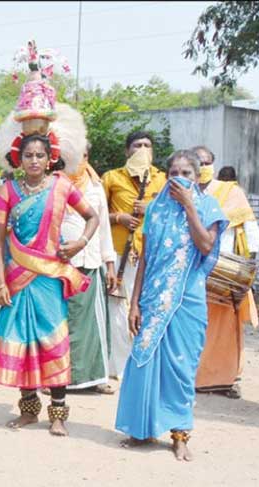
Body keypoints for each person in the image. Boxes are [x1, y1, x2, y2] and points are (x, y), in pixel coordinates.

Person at [115, 149, 227, 461]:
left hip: (187, 300)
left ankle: (179, 435)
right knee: (141, 361)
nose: (179, 179)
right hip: (152, 299)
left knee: (181, 366)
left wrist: (189, 206)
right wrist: (134, 302)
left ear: (197, 176)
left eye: (186, 174)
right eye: (174, 173)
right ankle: (140, 429)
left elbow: (206, 245)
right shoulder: (156, 210)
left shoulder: (208, 206)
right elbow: (147, 259)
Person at [0, 134, 98, 437]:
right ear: (19, 158)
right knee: (21, 339)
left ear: (50, 157)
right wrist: (0, 282)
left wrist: (80, 243)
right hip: (16, 277)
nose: (34, 160)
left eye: (40, 155)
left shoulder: (63, 186)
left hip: (49, 277)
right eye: (28, 155)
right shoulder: (7, 191)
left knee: (53, 341)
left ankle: (58, 414)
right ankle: (28, 410)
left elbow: (91, 216)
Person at [191, 146, 259, 399]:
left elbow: (250, 231)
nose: (202, 167)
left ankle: (225, 378)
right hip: (193, 270)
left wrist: (245, 269)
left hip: (225, 270)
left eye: (206, 162)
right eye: (197, 162)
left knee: (225, 326)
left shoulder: (231, 191)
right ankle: (193, 376)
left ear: (213, 163)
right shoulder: (183, 192)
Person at [102, 131, 167, 382]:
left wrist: (151, 209)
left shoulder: (162, 179)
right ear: (127, 151)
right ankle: (120, 367)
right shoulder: (111, 178)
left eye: (147, 145)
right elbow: (94, 213)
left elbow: (175, 212)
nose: (142, 149)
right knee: (118, 309)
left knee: (148, 308)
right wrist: (119, 217)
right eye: (137, 145)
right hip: (119, 254)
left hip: (152, 255)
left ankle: (145, 364)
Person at [64, 141, 118, 394]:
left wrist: (110, 264)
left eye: (83, 155)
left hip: (91, 262)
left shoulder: (96, 187)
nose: (78, 161)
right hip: (62, 266)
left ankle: (97, 377)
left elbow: (104, 226)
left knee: (95, 324)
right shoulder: (55, 185)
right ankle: (59, 379)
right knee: (64, 324)